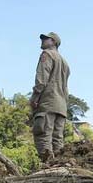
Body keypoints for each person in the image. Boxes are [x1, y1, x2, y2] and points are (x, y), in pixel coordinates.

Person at [29, 32, 70, 162]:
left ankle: (47, 165)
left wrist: (35, 98)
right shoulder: (65, 62)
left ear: (54, 42)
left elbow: (41, 80)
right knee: (58, 139)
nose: (42, 40)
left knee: (43, 135)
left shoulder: (47, 55)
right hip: (61, 106)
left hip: (48, 102)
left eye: (46, 38)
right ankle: (59, 165)